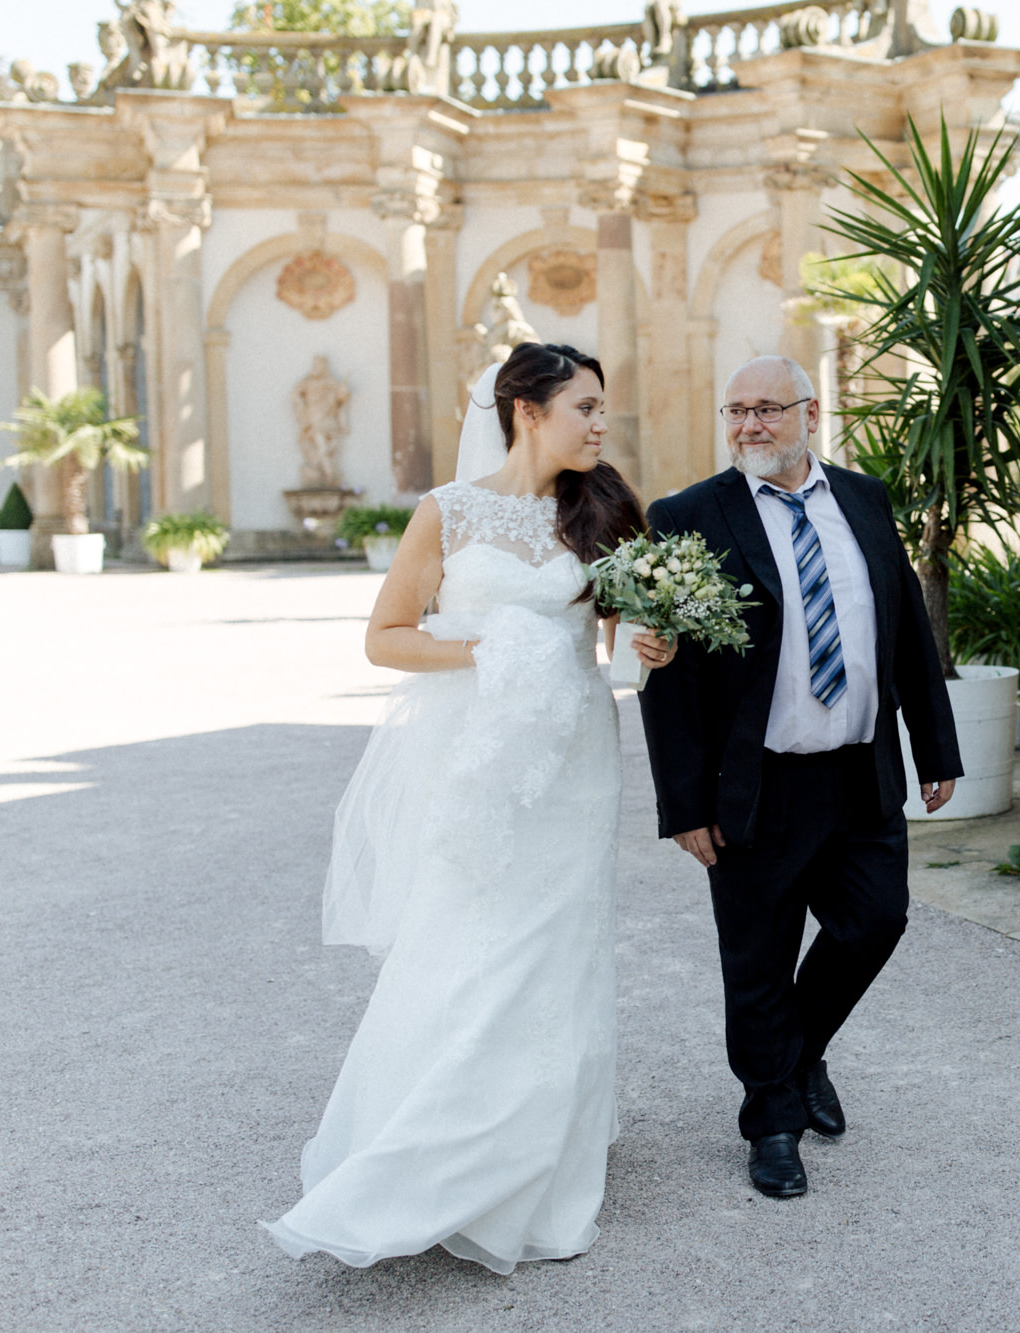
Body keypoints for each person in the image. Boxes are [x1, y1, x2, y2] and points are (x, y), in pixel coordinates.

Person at [262, 343, 675, 1272]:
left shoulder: (605, 507)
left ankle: (541, 1141)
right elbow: (386, 638)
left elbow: (620, 646)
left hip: (574, 763)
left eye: (601, 408)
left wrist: (652, 648)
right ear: (527, 410)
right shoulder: (446, 512)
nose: (601, 424)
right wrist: (486, 651)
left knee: (558, 947)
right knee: (463, 940)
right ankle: (423, 1141)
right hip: (481, 761)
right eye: (585, 406)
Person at [636, 354, 962, 1199]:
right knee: (758, 957)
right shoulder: (687, 517)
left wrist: (936, 747)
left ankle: (797, 1054)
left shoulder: (865, 499)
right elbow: (670, 682)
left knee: (875, 921)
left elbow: (906, 633)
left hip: (859, 772)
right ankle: (772, 1122)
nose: (750, 424)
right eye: (736, 410)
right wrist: (684, 804)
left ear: (809, 413)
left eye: (768, 408)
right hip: (756, 784)